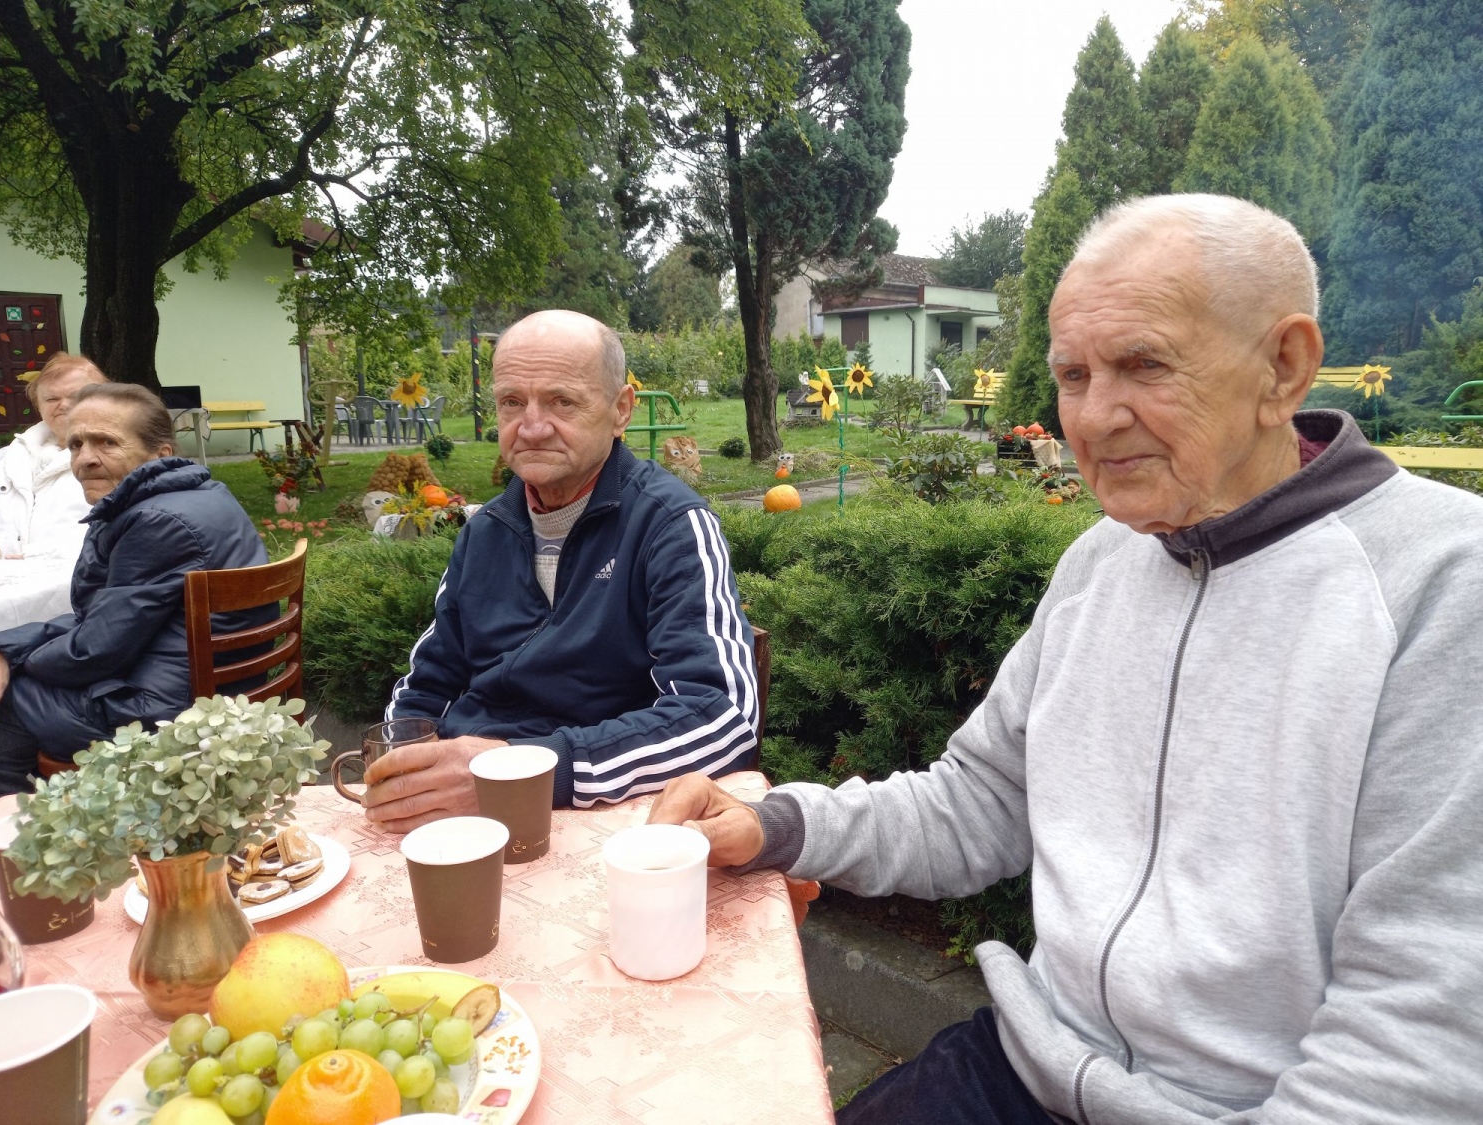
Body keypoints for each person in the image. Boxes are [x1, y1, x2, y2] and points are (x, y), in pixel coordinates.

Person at [652, 194, 1483, 1123]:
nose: (1094, 417)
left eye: (1143, 364)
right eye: (1073, 375)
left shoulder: (1444, 584)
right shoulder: (1102, 558)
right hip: (1028, 1063)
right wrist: (775, 824)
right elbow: (981, 800)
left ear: (1282, 366)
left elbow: (1414, 1041)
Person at [365, 309, 759, 832]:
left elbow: (721, 718)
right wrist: (406, 762)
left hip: (594, 816)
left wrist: (520, 772)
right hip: (462, 818)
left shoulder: (670, 526)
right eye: (512, 402)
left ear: (621, 410)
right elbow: (426, 685)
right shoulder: (484, 532)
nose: (531, 427)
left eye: (562, 401)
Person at [0, 383, 272, 804]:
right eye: (76, 444)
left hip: (169, 717)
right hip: (209, 693)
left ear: (161, 453)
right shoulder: (198, 494)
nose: (85, 458)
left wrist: (13, 664)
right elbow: (102, 620)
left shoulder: (156, 521)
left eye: (107, 442)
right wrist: (5, 650)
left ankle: (6, 834)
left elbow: (93, 652)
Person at [0, 353, 107, 563]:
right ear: (38, 405)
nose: (63, 405)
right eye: (51, 399)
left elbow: (126, 534)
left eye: (75, 396)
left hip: (81, 581)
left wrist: (35, 558)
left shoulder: (119, 460)